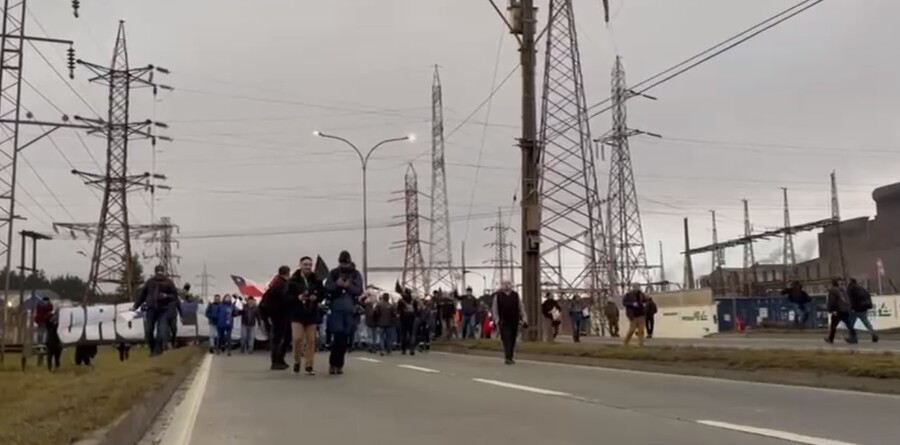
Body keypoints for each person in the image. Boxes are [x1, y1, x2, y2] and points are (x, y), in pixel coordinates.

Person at [324, 251, 363, 375]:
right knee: (337, 337)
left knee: (346, 338)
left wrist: (348, 286)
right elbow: (327, 288)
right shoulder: (334, 273)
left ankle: (339, 364)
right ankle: (333, 363)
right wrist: (337, 285)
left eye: (346, 262)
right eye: (342, 262)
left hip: (349, 309)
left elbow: (359, 290)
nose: (344, 265)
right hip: (336, 309)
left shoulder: (356, 274)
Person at [287, 256, 324, 375]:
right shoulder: (293, 280)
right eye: (305, 264)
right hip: (297, 314)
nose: (308, 267)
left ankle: (309, 365)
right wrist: (297, 297)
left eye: (309, 265)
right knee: (297, 339)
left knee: (311, 340)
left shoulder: (316, 280)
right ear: (300, 265)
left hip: (311, 313)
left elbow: (322, 294)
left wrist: (316, 298)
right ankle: (297, 361)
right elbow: (286, 297)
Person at [132, 265, 179, 356]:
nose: (159, 273)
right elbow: (142, 295)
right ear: (155, 272)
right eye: (158, 271)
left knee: (161, 331)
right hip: (151, 309)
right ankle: (152, 348)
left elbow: (175, 296)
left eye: (161, 271)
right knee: (149, 330)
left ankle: (157, 350)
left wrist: (167, 296)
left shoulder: (169, 282)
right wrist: (135, 306)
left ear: (163, 272)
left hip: (164, 310)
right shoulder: (150, 282)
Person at [261, 266, 292, 370]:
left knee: (279, 338)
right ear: (288, 273)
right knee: (279, 338)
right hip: (279, 315)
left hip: (273, 314)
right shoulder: (282, 285)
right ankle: (277, 360)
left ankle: (279, 360)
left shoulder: (275, 283)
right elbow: (285, 299)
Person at [491, 279, 527, 365]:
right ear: (502, 286)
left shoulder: (515, 295)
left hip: (514, 320)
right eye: (504, 284)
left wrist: (524, 318)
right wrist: (496, 320)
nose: (506, 286)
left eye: (508, 284)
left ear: (511, 285)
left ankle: (510, 356)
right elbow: (495, 308)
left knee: (513, 339)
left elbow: (521, 307)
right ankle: (507, 357)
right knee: (506, 339)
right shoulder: (498, 296)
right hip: (503, 321)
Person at [826, 278, 858, 344]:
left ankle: (830, 338)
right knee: (849, 324)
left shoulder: (833, 291)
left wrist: (832, 310)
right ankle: (854, 337)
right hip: (845, 309)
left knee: (833, 325)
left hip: (838, 310)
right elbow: (847, 299)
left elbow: (832, 301)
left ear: (832, 284)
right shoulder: (843, 290)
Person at [847, 278, 878, 343]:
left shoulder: (851, 289)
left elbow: (851, 300)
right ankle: (874, 334)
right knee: (867, 324)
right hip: (863, 309)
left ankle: (853, 338)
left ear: (851, 282)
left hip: (855, 309)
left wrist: (852, 308)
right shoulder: (862, 288)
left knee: (850, 324)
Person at [397, 289, 420, 355]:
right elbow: (417, 310)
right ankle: (412, 349)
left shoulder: (401, 301)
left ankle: (403, 349)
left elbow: (398, 310)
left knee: (404, 334)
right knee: (411, 334)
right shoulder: (413, 301)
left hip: (403, 319)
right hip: (412, 319)